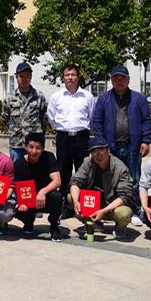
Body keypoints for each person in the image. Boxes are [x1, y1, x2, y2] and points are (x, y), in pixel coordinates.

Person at [91, 65, 151, 227]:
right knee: (109, 179)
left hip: (132, 147)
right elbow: (97, 122)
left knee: (134, 180)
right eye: (116, 78)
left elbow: (146, 121)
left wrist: (145, 140)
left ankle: (135, 210)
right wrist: (102, 145)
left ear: (128, 80)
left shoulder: (138, 99)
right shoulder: (104, 99)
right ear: (111, 80)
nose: (119, 81)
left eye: (122, 78)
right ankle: (108, 210)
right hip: (110, 148)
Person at [47, 64, 95, 216]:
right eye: (67, 75)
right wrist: (62, 129)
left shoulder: (87, 96)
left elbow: (91, 117)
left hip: (82, 137)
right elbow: (51, 117)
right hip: (63, 137)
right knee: (63, 170)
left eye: (73, 75)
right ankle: (66, 206)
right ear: (63, 78)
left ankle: (83, 205)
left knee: (83, 169)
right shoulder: (56, 97)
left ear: (78, 77)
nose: (70, 78)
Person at [69, 136, 135, 240]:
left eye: (101, 150)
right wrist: (76, 202)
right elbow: (75, 182)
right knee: (71, 197)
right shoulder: (88, 162)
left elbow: (124, 196)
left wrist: (103, 211)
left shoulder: (120, 167)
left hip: (113, 206)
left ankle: (120, 228)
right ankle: (93, 224)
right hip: (93, 203)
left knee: (123, 214)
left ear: (108, 150)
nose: (98, 154)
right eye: (94, 151)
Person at [13, 133, 63, 241]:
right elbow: (18, 187)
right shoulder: (19, 163)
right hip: (28, 197)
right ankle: (28, 222)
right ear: (25, 147)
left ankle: (54, 226)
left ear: (43, 148)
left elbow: (57, 181)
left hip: (46, 198)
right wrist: (21, 202)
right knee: (17, 207)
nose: (34, 151)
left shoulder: (49, 157)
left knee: (57, 196)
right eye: (31, 147)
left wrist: (43, 192)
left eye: (38, 148)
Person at [2, 62, 48, 163]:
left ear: (31, 77)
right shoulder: (9, 97)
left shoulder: (39, 96)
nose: (24, 79)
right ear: (16, 77)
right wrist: (15, 129)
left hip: (34, 144)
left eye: (27, 76)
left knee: (36, 170)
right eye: (21, 76)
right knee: (17, 170)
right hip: (16, 143)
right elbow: (5, 118)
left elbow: (44, 118)